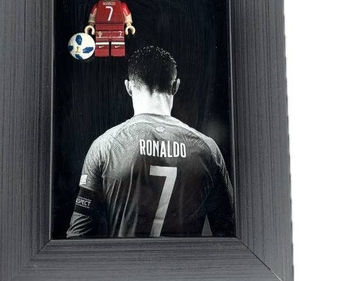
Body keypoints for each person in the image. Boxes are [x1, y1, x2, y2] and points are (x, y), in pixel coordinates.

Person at [66, 46, 235, 238]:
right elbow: (230, 236)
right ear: (175, 86)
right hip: (183, 259)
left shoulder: (105, 146)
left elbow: (78, 236)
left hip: (125, 258)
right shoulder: (208, 150)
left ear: (128, 87)